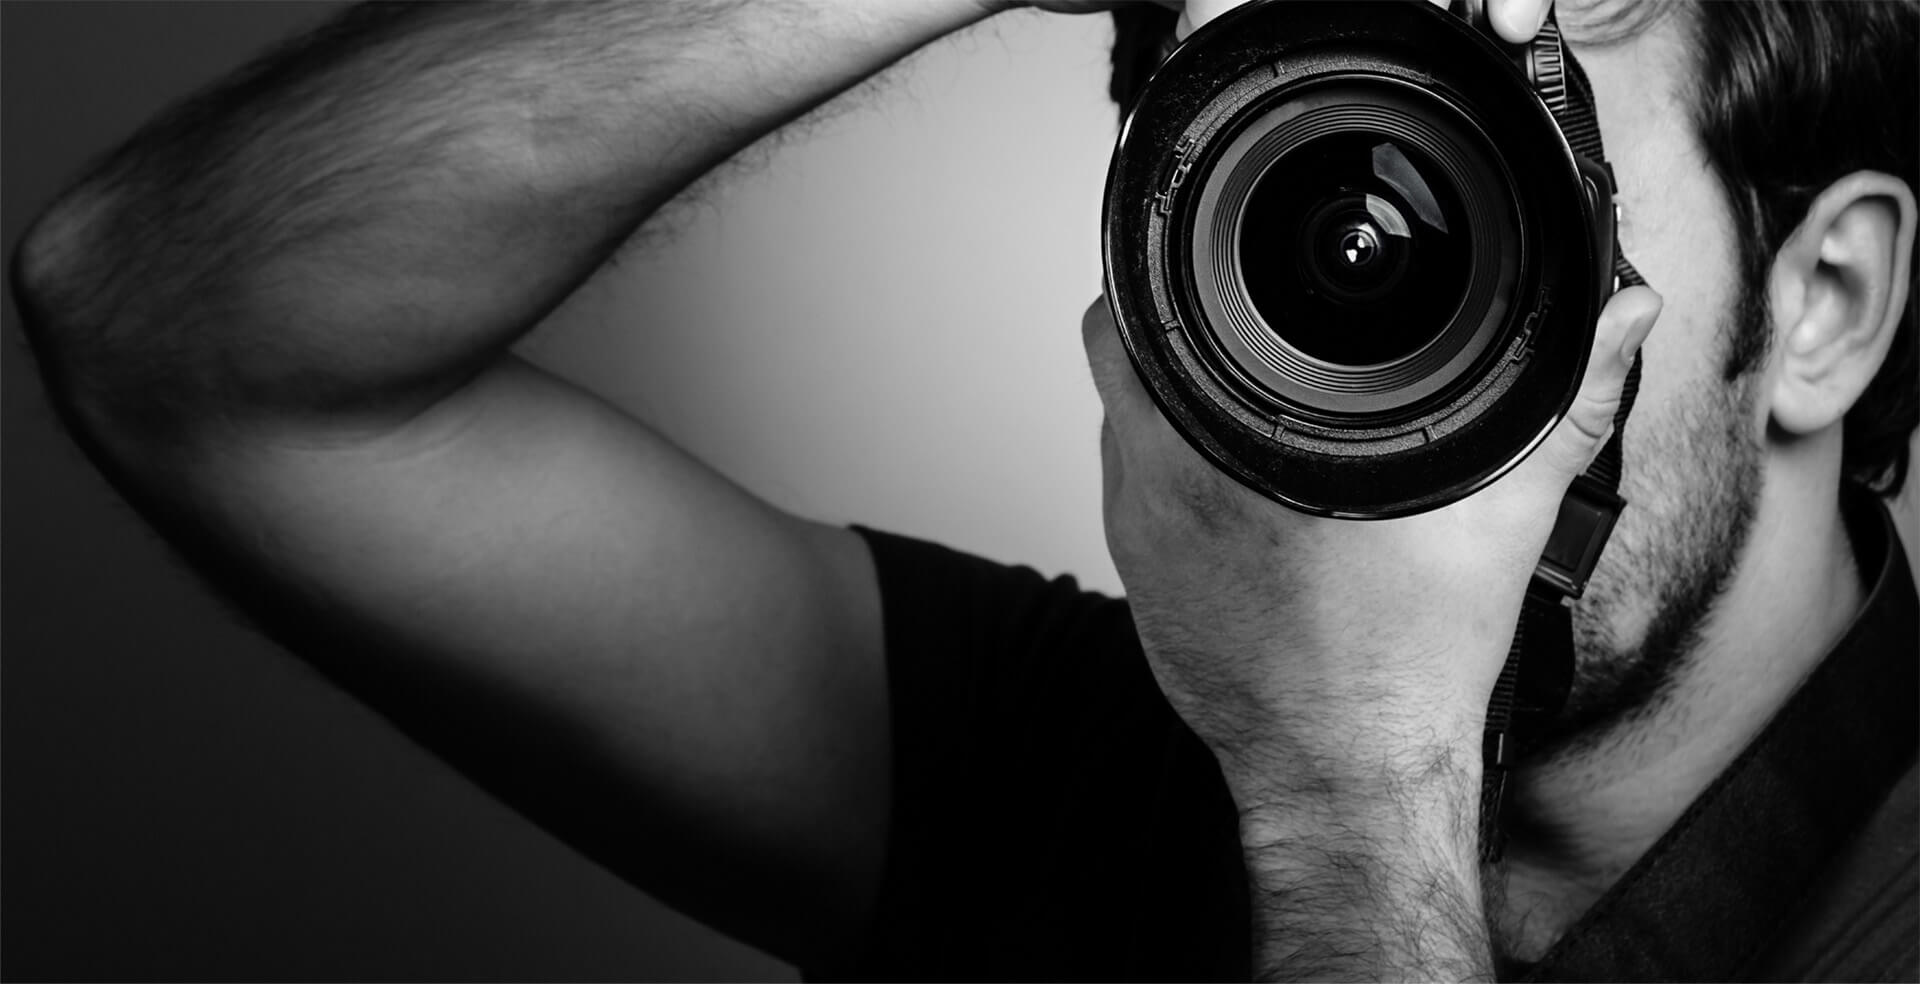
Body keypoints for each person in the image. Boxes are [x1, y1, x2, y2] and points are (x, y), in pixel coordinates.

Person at [10, 0, 1914, 978]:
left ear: (1819, 306)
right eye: (1293, 151)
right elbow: (177, 336)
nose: (1361, 263)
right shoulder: (1069, 764)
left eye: (1509, 174)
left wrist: (1355, 804)